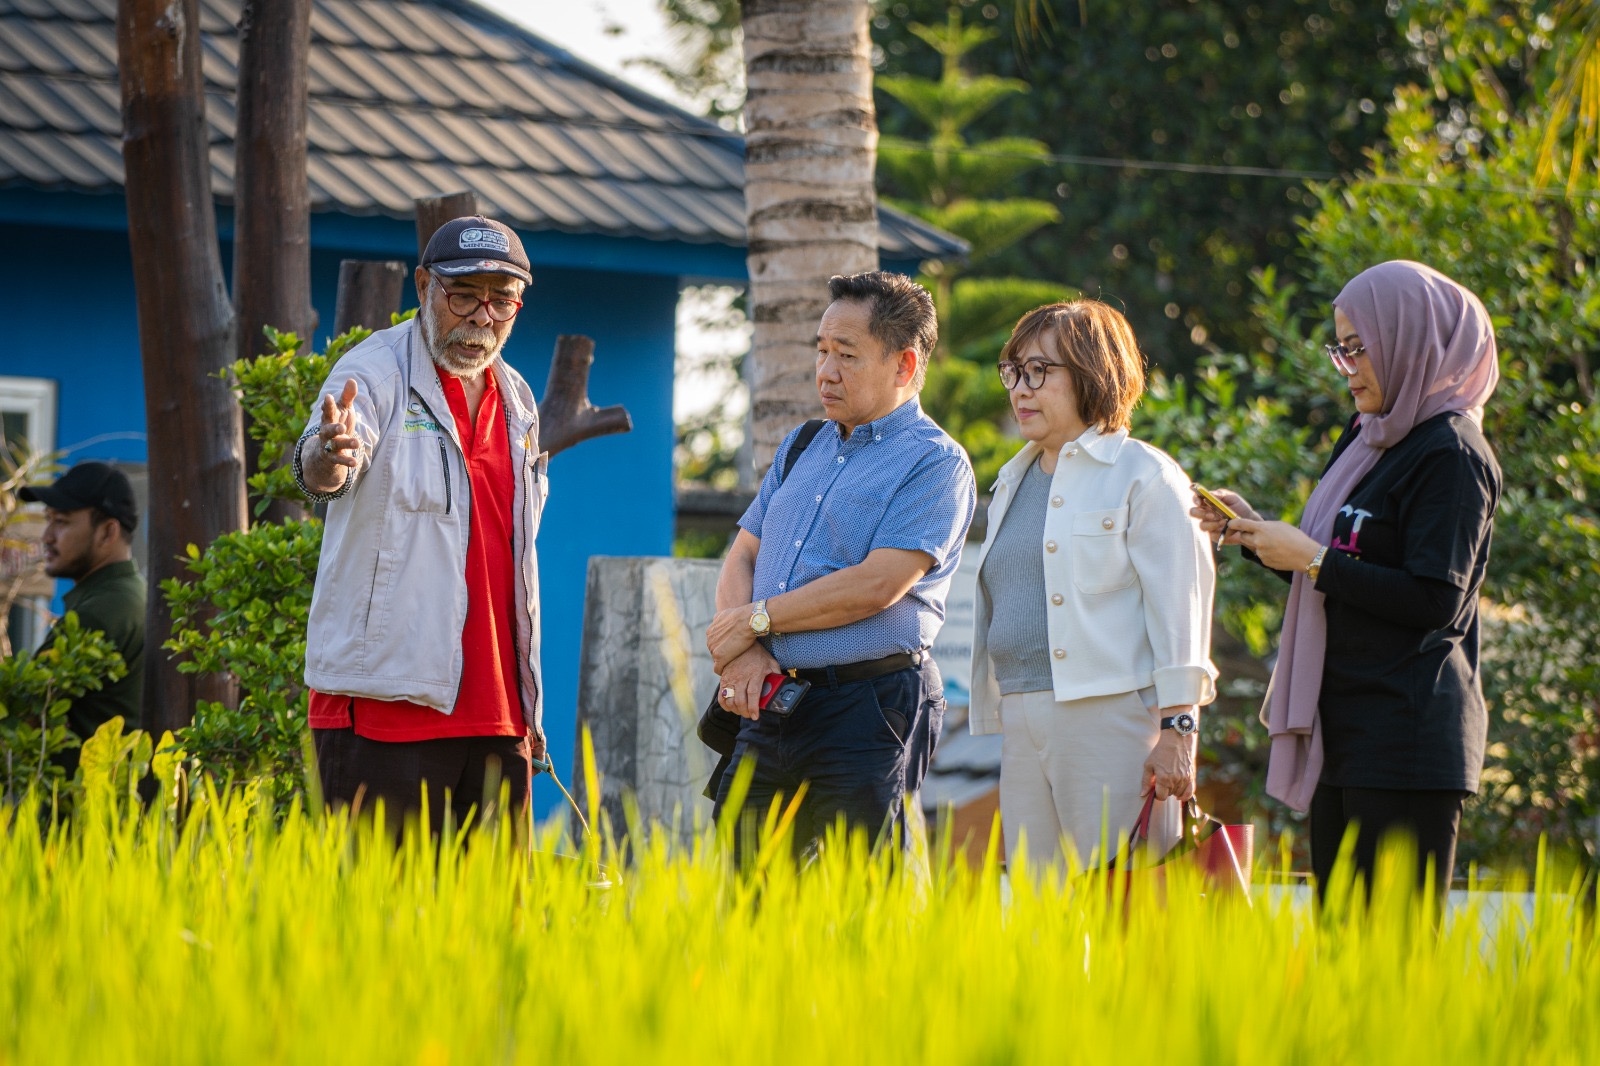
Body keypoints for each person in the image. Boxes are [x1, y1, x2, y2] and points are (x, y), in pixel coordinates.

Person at [1193, 260, 1501, 897]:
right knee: (1341, 954)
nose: (1347, 367)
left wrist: (1312, 558)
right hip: (1348, 732)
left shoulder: (1452, 454)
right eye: (1342, 349)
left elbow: (1432, 598)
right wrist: (1256, 536)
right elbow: (1341, 579)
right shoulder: (1371, 437)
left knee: (1390, 961)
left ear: (1410, 339)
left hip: (1406, 743)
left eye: (1360, 348)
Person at [705, 271, 977, 854]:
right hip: (773, 699)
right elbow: (745, 550)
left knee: (856, 897)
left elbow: (878, 584)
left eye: (846, 355)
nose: (826, 372)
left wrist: (756, 623)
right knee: (742, 887)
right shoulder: (802, 442)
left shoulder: (935, 463)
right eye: (822, 351)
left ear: (904, 365)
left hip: (869, 707)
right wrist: (744, 656)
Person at [295, 215, 549, 836]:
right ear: (423, 286)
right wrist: (332, 454)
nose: (482, 319)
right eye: (463, 295)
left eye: (501, 301)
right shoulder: (374, 372)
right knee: (377, 922)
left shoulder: (517, 398)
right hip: (384, 710)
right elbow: (320, 469)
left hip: (498, 717)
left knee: (490, 927)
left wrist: (528, 714)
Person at [968, 302, 1217, 872]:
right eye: (1013, 371)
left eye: (1039, 371)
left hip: (1107, 716)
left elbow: (1182, 609)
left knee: (1118, 902)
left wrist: (1181, 728)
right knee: (1038, 913)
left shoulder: (1144, 475)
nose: (1020, 389)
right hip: (1022, 713)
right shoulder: (1013, 477)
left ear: (1092, 373)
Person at [20, 461, 146, 774]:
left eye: (61, 522)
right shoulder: (129, 595)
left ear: (107, 531)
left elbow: (25, 713)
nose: (47, 536)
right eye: (48, 520)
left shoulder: (100, 613)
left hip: (80, 811)